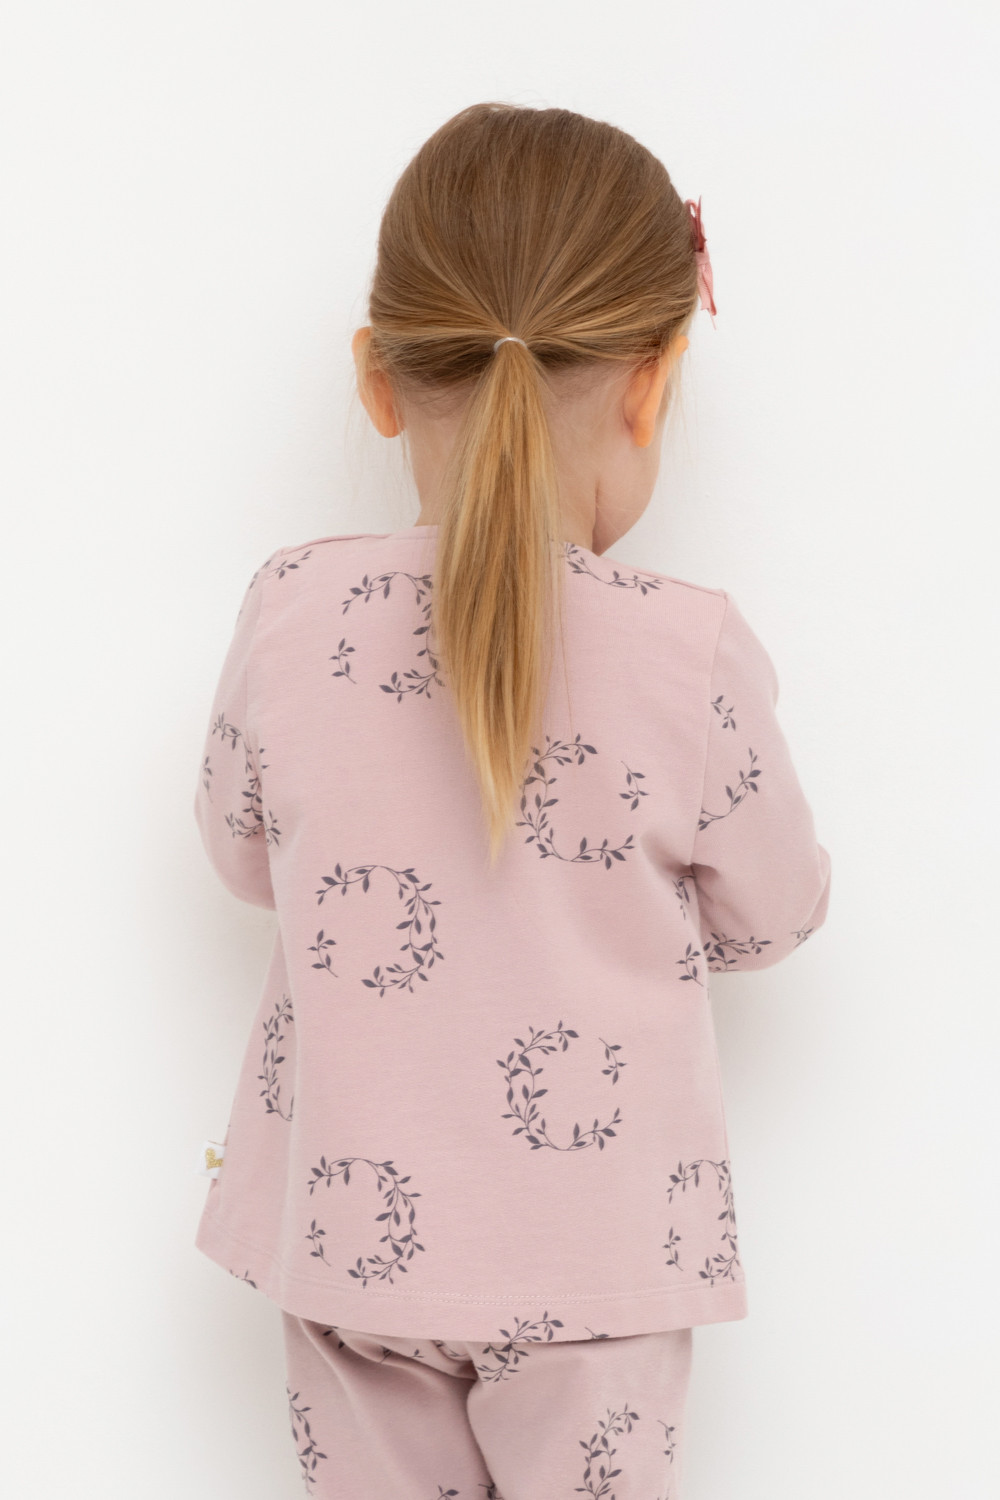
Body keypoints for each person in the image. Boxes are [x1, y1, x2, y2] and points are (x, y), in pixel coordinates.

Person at [191, 101, 831, 1500]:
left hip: (349, 1234)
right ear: (651, 386)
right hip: (597, 1253)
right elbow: (780, 913)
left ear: (378, 378)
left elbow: (244, 857)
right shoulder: (687, 652)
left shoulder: (292, 613)